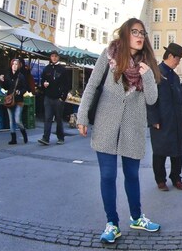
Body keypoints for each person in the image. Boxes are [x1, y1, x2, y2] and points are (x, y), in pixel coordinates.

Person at [76, 18, 162, 244]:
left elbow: (152, 99)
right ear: (125, 34)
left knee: (132, 175)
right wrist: (82, 115)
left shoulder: (148, 64)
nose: (140, 35)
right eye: (134, 31)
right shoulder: (109, 54)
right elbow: (92, 85)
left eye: (142, 32)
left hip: (132, 128)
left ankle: (136, 217)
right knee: (108, 175)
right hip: (106, 125)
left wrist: (147, 75)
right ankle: (112, 223)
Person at [147, 43, 182, 191]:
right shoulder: (155, 73)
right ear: (171, 56)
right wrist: (153, 119)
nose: (178, 62)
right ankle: (160, 180)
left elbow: (180, 101)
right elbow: (149, 99)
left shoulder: (175, 77)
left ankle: (176, 177)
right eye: (178, 59)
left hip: (176, 120)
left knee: (178, 151)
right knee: (160, 152)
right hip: (162, 120)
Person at [38, 51, 70, 146]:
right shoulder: (47, 68)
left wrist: (62, 97)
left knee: (59, 118)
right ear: (50, 57)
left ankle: (60, 137)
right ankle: (45, 138)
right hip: (48, 97)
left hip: (58, 98)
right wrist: (44, 84)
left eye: (56, 56)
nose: (54, 58)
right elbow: (43, 80)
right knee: (47, 118)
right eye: (52, 56)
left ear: (58, 57)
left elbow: (67, 84)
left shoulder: (62, 70)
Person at [1, 58, 29, 145]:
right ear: (11, 65)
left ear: (19, 66)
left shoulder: (21, 76)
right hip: (10, 100)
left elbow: (25, 88)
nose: (14, 66)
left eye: (16, 64)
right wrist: (2, 81)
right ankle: (13, 139)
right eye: (13, 64)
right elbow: (5, 87)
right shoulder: (8, 75)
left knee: (17, 120)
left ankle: (24, 133)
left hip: (19, 101)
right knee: (11, 121)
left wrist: (20, 92)